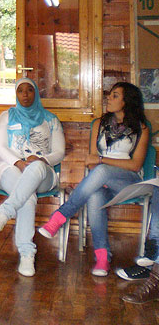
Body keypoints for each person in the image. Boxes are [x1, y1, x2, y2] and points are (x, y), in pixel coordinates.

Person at [39, 82, 149, 277]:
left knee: (102, 170)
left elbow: (135, 165)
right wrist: (98, 166)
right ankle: (102, 257)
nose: (109, 98)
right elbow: (90, 161)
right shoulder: (99, 124)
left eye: (115, 95)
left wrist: (102, 162)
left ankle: (61, 215)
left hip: (129, 182)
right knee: (95, 194)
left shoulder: (141, 128)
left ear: (126, 102)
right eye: (110, 95)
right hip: (101, 179)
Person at [0, 77, 65, 277]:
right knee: (27, 196)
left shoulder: (50, 119)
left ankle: (6, 211)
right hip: (10, 167)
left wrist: (40, 159)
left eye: (29, 90)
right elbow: (1, 147)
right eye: (21, 90)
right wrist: (19, 162)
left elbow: (59, 152)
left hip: (43, 174)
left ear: (36, 93)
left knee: (35, 168)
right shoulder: (7, 116)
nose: (25, 94)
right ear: (16, 94)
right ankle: (27, 254)